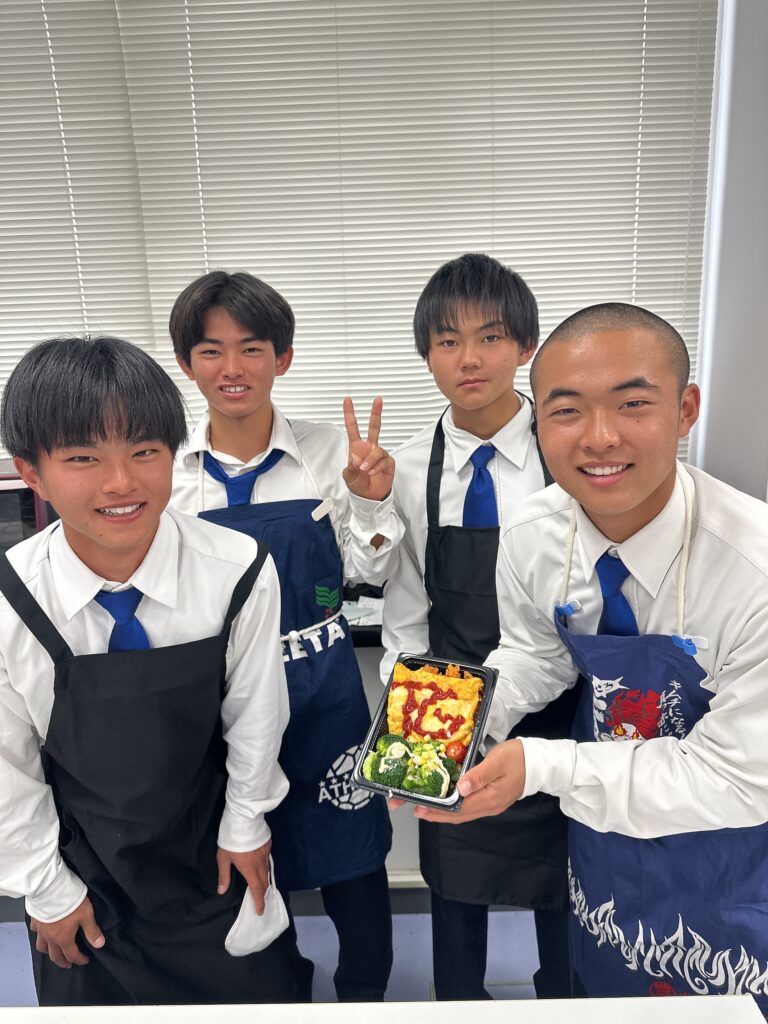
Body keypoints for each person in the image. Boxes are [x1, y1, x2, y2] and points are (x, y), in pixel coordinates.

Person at [414, 302, 768, 1010]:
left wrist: (541, 765)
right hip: (603, 838)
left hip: (728, 851)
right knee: (603, 991)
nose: (600, 437)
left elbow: (736, 776)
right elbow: (535, 654)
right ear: (539, 423)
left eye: (633, 404)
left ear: (685, 410)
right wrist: (453, 719)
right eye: (567, 411)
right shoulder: (534, 533)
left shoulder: (752, 568)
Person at [0, 335, 308, 1006]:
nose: (121, 482)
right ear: (32, 473)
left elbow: (256, 715)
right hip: (79, 870)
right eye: (83, 458)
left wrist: (246, 825)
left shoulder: (237, 569)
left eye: (144, 451)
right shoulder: (10, 600)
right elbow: (7, 766)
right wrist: (45, 888)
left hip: (212, 852)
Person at [168, 270, 402, 1002]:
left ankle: (366, 994)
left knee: (354, 860)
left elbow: (373, 571)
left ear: (284, 358)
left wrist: (372, 502)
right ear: (186, 364)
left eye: (252, 348)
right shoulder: (168, 472)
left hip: (324, 690)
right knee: (250, 855)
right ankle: (285, 990)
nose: (232, 368)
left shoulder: (332, 453)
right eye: (211, 351)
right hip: (223, 699)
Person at [381, 253, 576, 1000]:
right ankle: (459, 1004)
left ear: (525, 345)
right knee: (455, 888)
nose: (469, 358)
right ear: (426, 354)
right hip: (448, 701)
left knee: (569, 893)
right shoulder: (406, 471)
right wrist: (406, 722)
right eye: (448, 340)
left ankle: (566, 1002)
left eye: (490, 337)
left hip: (566, 705)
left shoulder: (571, 454)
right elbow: (405, 605)